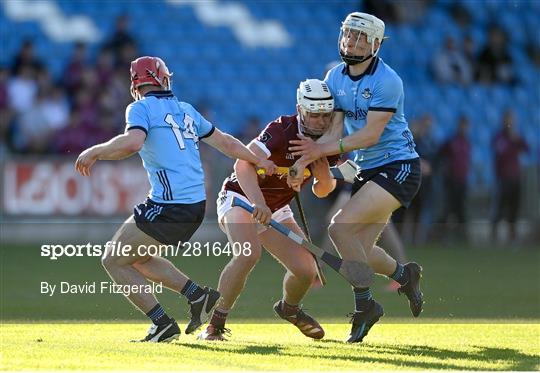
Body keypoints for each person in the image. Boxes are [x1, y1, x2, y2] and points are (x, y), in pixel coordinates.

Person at [75, 56, 275, 343]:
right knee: (138, 257)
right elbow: (227, 143)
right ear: (165, 78)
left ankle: (162, 325)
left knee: (113, 260)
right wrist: (259, 161)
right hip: (195, 206)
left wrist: (96, 150)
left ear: (136, 84)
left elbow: (132, 143)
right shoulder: (186, 109)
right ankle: (198, 296)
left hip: (169, 205)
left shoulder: (140, 107)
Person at [288, 13, 424, 343]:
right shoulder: (334, 75)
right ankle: (405, 274)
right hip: (366, 170)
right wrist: (305, 158)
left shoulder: (387, 81)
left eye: (361, 37)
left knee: (339, 228)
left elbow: (371, 135)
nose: (352, 41)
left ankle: (365, 306)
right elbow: (334, 130)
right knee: (358, 250)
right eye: (349, 34)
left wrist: (322, 152)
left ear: (376, 44)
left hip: (398, 167)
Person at [198, 79, 338, 341]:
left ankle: (290, 309)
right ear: (300, 109)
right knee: (248, 253)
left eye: (325, 116)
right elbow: (243, 164)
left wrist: (324, 177)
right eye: (314, 115)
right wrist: (257, 202)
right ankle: (214, 324)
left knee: (307, 271)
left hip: (277, 207)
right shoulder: (281, 129)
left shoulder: (328, 141)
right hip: (240, 197)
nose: (320, 121)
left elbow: (322, 191)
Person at [491, 110, 529, 242]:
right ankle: (494, 236)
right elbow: (499, 152)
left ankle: (512, 236)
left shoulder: (516, 137)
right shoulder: (499, 137)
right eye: (508, 120)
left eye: (512, 120)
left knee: (514, 208)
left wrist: (516, 139)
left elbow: (527, 148)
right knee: (500, 207)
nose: (510, 122)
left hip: (515, 177)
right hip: (503, 178)